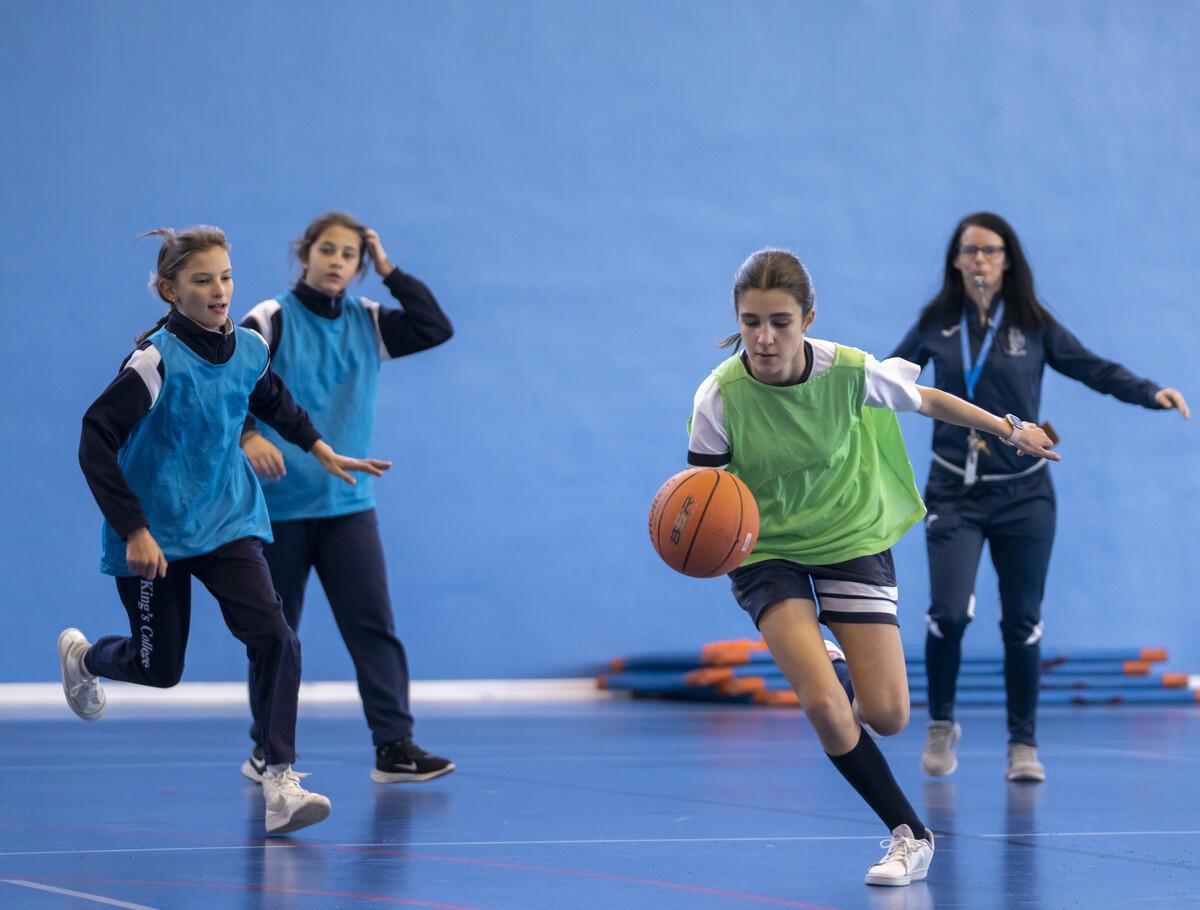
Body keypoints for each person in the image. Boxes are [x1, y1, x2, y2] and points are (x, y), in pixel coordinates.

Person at [686, 249, 1059, 886]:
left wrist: (1010, 427)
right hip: (767, 551)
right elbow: (706, 498)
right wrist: (696, 539)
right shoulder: (719, 395)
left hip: (850, 535)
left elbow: (931, 401)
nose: (765, 337)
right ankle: (909, 835)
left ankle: (832, 658)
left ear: (807, 317)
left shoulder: (847, 369)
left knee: (885, 715)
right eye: (751, 322)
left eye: (780, 321)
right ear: (737, 321)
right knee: (826, 708)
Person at [63, 225, 390, 835]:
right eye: (202, 280)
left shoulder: (246, 348)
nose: (219, 291)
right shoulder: (155, 360)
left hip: (227, 521)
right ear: (169, 290)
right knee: (160, 668)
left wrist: (321, 450)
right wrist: (133, 528)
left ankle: (280, 780)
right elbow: (95, 439)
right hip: (155, 536)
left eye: (227, 277)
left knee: (276, 639)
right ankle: (87, 657)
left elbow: (271, 402)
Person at [891, 213, 1189, 782]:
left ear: (1008, 260)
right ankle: (941, 722)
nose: (980, 259)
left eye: (991, 250)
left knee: (1021, 621)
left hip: (1025, 499)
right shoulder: (935, 324)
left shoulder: (1033, 323)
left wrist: (1150, 391)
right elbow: (889, 379)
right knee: (947, 613)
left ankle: (1022, 744)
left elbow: (1091, 368)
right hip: (954, 491)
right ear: (956, 260)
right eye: (970, 250)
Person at [238, 212, 454, 784]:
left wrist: (392, 271)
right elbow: (223, 382)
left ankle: (395, 747)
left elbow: (436, 327)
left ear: (361, 266)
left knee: (373, 627)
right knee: (275, 638)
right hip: (278, 508)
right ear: (304, 254)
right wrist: (249, 434)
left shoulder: (370, 322)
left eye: (350, 255)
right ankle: (266, 750)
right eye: (327, 250)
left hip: (347, 508)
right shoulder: (270, 318)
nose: (337, 261)